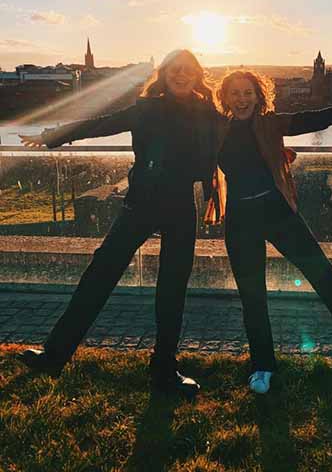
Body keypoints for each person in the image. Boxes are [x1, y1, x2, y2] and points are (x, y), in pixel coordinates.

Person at [18, 49, 218, 397]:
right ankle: (54, 355)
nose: (181, 75)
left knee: (172, 291)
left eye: (188, 70)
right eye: (175, 70)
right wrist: (53, 136)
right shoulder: (146, 109)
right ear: (165, 74)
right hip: (140, 205)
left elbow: (235, 142)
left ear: (197, 75)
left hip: (180, 208)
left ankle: (164, 370)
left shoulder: (208, 113)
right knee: (99, 275)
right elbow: (100, 124)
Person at [208, 70, 332, 394]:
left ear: (259, 96)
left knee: (323, 275)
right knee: (252, 296)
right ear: (225, 97)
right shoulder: (216, 129)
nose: (241, 99)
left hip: (275, 211)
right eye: (235, 93)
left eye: (248, 92)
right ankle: (262, 366)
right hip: (240, 218)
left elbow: (318, 119)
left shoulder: (270, 123)